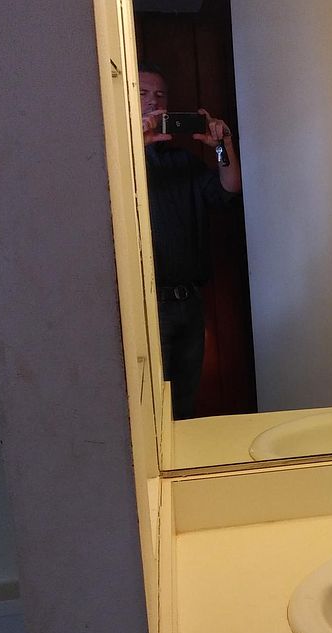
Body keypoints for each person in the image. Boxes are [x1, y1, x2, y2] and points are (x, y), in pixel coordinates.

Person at [138, 64, 242, 419]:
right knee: (152, 409)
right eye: (142, 93)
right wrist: (134, 147)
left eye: (160, 95)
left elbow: (229, 190)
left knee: (184, 403)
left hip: (190, 303)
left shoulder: (182, 161)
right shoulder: (117, 163)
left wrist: (223, 146)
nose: (153, 102)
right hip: (148, 306)